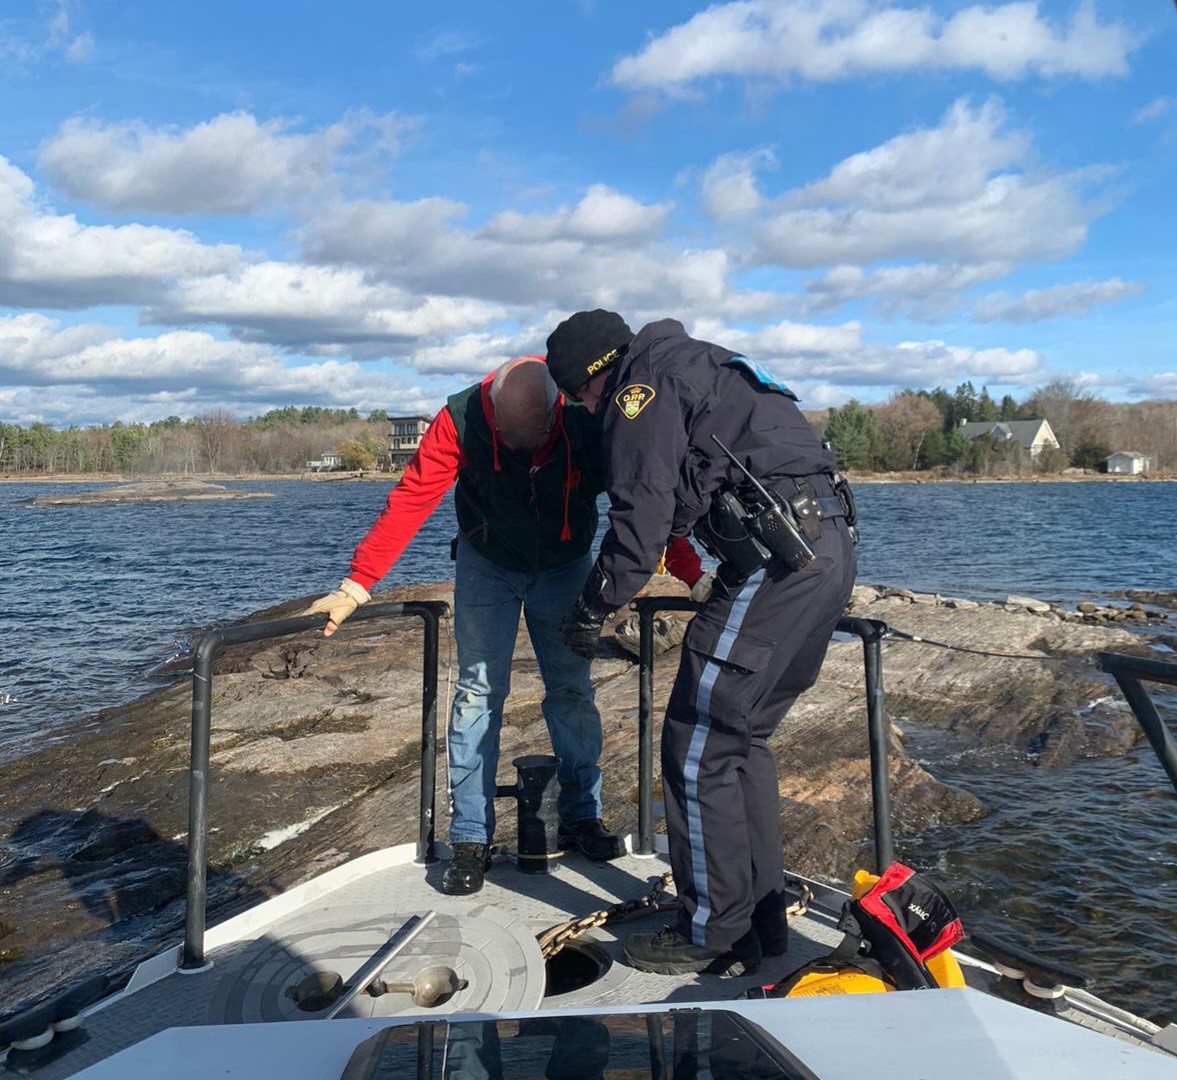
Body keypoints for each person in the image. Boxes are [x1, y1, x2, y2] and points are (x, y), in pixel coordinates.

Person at [545, 311, 857, 977]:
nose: (584, 410)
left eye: (577, 398)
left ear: (593, 379)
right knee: (740, 743)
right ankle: (758, 922)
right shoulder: (702, 364)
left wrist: (590, 604)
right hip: (823, 553)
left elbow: (642, 519)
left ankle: (710, 926)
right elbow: (691, 495)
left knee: (695, 743)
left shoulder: (641, 388)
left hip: (774, 563)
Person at [303, 357, 625, 896]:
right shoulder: (460, 418)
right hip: (486, 565)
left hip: (566, 567)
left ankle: (581, 817)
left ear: (552, 414)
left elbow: (643, 494)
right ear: (493, 410)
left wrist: (689, 573)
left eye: (523, 435)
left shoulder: (584, 412)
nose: (510, 441)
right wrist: (358, 584)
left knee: (571, 691)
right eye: (502, 430)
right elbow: (411, 499)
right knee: (476, 694)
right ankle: (471, 837)